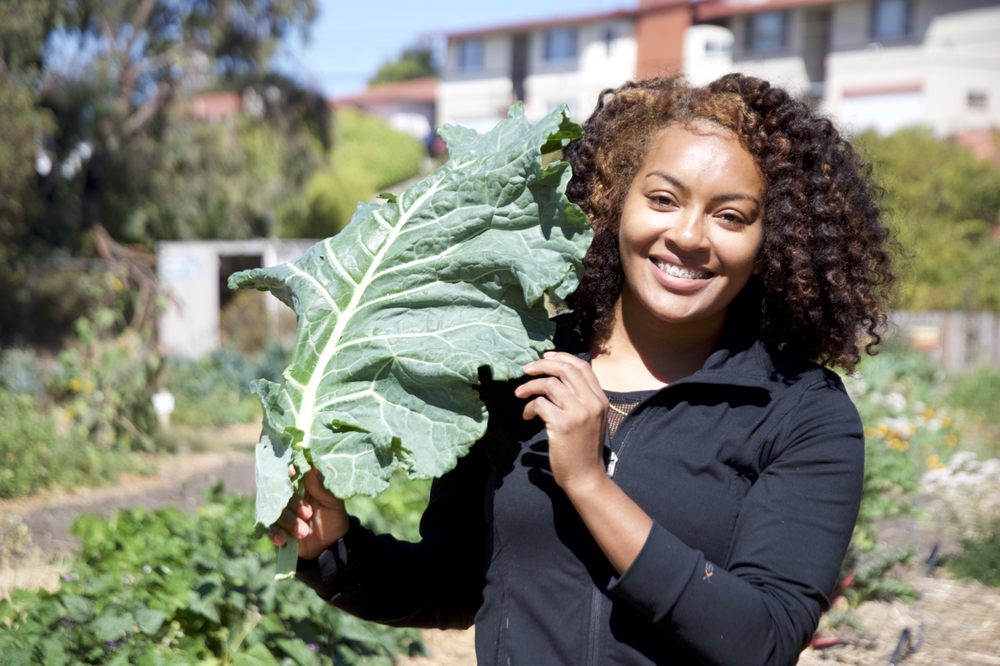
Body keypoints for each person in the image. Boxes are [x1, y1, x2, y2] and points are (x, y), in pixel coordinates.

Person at [270, 73, 895, 665]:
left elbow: (761, 641)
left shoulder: (801, 412)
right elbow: (458, 584)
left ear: (769, 248)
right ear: (615, 202)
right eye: (663, 199)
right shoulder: (516, 366)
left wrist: (589, 483)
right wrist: (334, 548)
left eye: (731, 216)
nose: (689, 235)